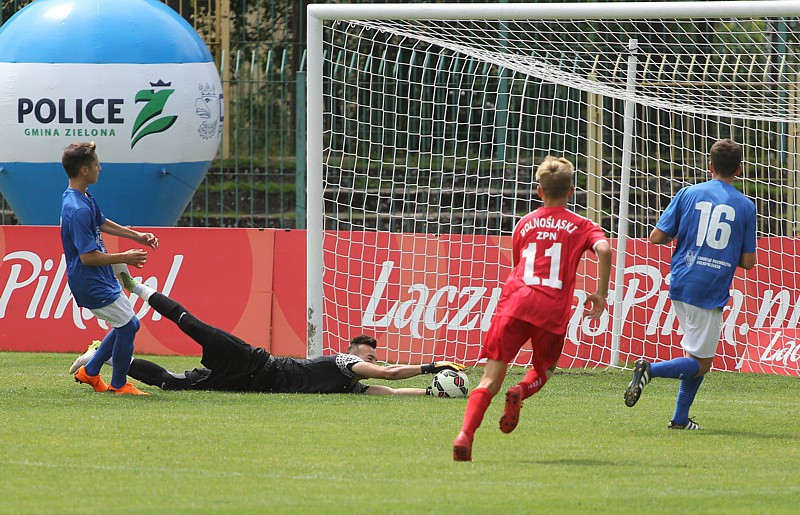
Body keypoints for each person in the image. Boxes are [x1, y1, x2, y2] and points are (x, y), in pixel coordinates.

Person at [69, 271, 465, 395]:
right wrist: (433, 366)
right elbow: (392, 375)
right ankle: (138, 288)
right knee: (193, 325)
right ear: (353, 354)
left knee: (173, 384)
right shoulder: (346, 364)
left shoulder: (351, 386)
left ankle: (94, 358)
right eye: (369, 358)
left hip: (248, 383)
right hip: (252, 359)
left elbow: (393, 390)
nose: (372, 364)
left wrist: (431, 393)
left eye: (373, 360)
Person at [452, 156, 612, 461]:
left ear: (539, 190)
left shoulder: (525, 222)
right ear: (572, 191)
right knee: (545, 368)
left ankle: (465, 435)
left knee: (489, 378)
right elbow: (604, 248)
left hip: (516, 300)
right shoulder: (581, 225)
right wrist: (601, 293)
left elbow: (518, 264)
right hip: (550, 308)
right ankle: (520, 393)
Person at [624, 139, 756, 429]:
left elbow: (656, 237)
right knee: (702, 363)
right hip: (709, 289)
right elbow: (748, 262)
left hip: (681, 280)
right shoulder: (746, 206)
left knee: (693, 355)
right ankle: (650, 370)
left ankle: (680, 419)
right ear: (740, 169)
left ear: (710, 166)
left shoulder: (687, 193)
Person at [61, 142, 158, 396]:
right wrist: (125, 255)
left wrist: (136, 236)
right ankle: (119, 384)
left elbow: (102, 222)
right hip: (90, 280)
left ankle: (91, 371)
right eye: (96, 164)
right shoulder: (78, 209)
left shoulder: (80, 197)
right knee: (128, 326)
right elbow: (88, 257)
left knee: (129, 325)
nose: (99, 168)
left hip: (98, 278)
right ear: (84, 170)